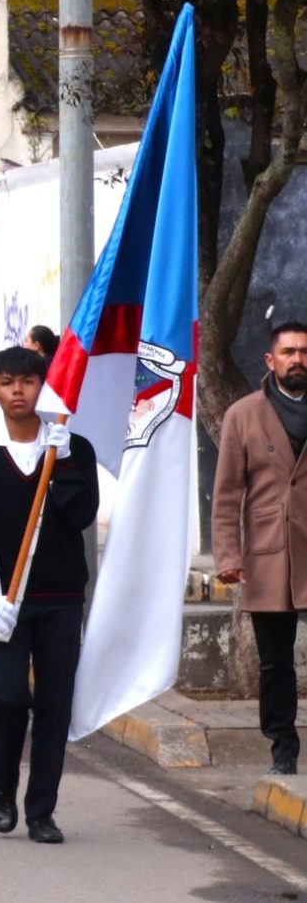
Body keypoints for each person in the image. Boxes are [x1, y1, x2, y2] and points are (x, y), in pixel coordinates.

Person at [0, 346, 97, 844]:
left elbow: (81, 517)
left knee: (55, 705)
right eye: (7, 382)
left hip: (61, 598)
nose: (18, 391)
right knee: (7, 695)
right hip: (8, 603)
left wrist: (61, 465)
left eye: (28, 381)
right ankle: (2, 787)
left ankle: (42, 811)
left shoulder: (71, 447)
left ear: (44, 387)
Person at [212, 320, 307, 777]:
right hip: (270, 554)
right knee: (275, 664)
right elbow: (227, 493)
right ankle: (283, 749)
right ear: (271, 361)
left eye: (304, 351)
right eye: (288, 352)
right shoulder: (243, 415)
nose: (298, 359)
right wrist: (229, 557)